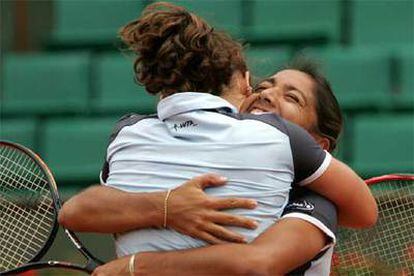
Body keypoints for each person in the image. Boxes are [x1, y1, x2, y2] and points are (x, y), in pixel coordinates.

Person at [59, 2, 377, 275]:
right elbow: (77, 210)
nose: (265, 94)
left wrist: (136, 266)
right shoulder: (194, 154)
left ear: (318, 146)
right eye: (265, 85)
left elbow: (257, 263)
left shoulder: (317, 201)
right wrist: (166, 206)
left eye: (292, 98)